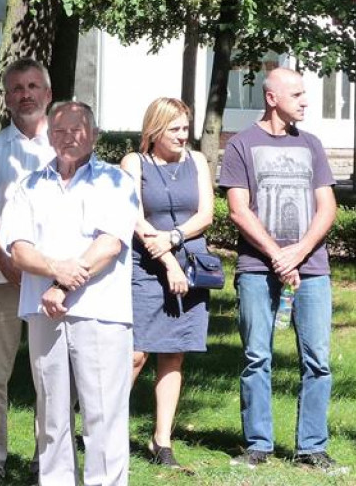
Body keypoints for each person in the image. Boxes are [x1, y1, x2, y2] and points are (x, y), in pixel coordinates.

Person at [6, 101, 138, 486]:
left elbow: (110, 245)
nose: (68, 138)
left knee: (103, 415)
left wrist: (62, 285)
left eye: (77, 130)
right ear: (49, 136)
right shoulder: (30, 185)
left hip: (101, 312)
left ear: (94, 135)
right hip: (44, 313)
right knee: (51, 414)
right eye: (59, 131)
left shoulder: (115, 181)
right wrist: (54, 270)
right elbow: (19, 249)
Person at [219, 67, 342, 474]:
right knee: (257, 356)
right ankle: (258, 444)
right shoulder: (241, 145)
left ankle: (311, 447)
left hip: (314, 270)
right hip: (257, 268)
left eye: (304, 94)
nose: (305, 101)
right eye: (297, 94)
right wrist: (276, 254)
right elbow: (238, 210)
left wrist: (300, 252)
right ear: (272, 98)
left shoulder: (312, 145)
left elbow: (328, 207)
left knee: (318, 360)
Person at [0, 58, 55, 486]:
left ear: (47, 94)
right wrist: (5, 260)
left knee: (51, 376)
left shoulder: (66, 147)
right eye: (17, 87)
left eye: (33, 86)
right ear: (7, 95)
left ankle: (48, 461)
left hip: (54, 283)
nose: (25, 94)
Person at [119, 98, 214, 469]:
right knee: (136, 353)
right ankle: (102, 426)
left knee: (174, 353)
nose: (182, 135)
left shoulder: (198, 162)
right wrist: (166, 258)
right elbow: (134, 217)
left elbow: (205, 214)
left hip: (190, 265)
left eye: (185, 128)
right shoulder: (134, 163)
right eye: (174, 129)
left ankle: (162, 441)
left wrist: (173, 239)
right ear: (154, 130)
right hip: (146, 265)